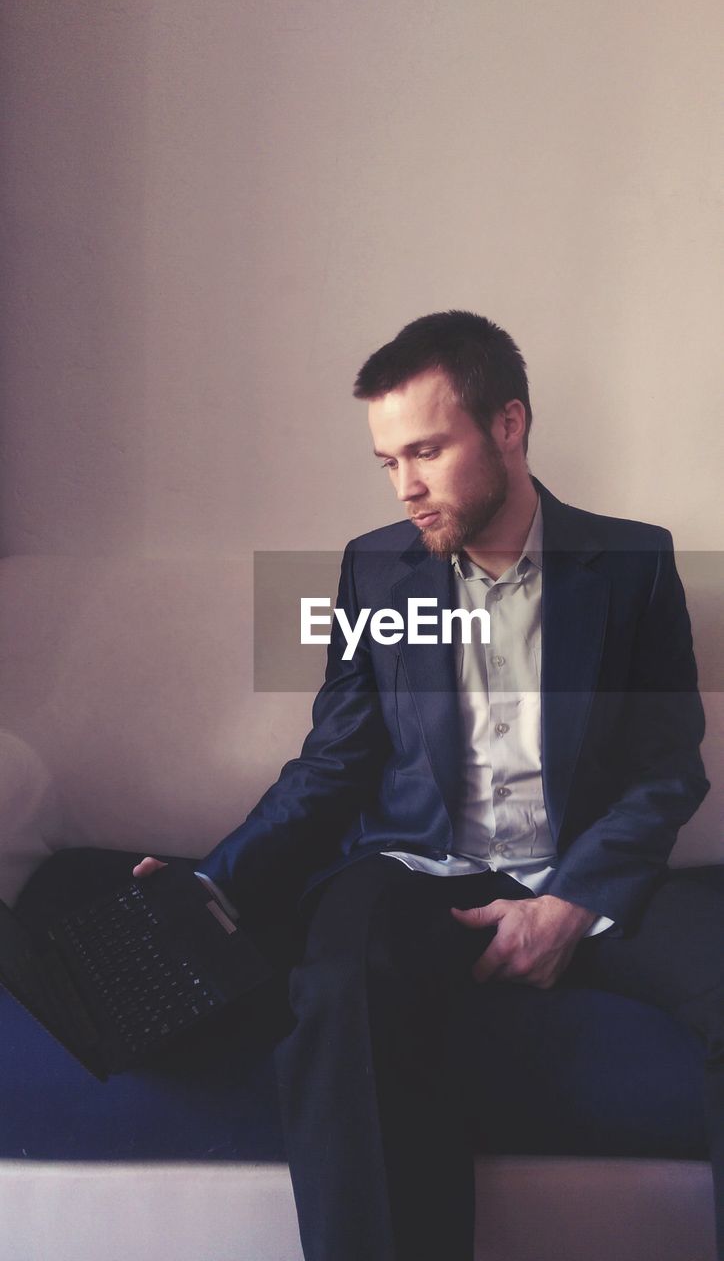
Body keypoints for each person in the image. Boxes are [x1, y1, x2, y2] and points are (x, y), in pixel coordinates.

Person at [135, 311, 722, 1261]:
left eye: (427, 451)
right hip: (420, 871)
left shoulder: (632, 565)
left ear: (509, 427)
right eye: (387, 462)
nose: (406, 486)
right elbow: (334, 761)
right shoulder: (377, 572)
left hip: (588, 868)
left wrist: (574, 899)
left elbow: (667, 762)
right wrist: (214, 882)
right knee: (341, 977)